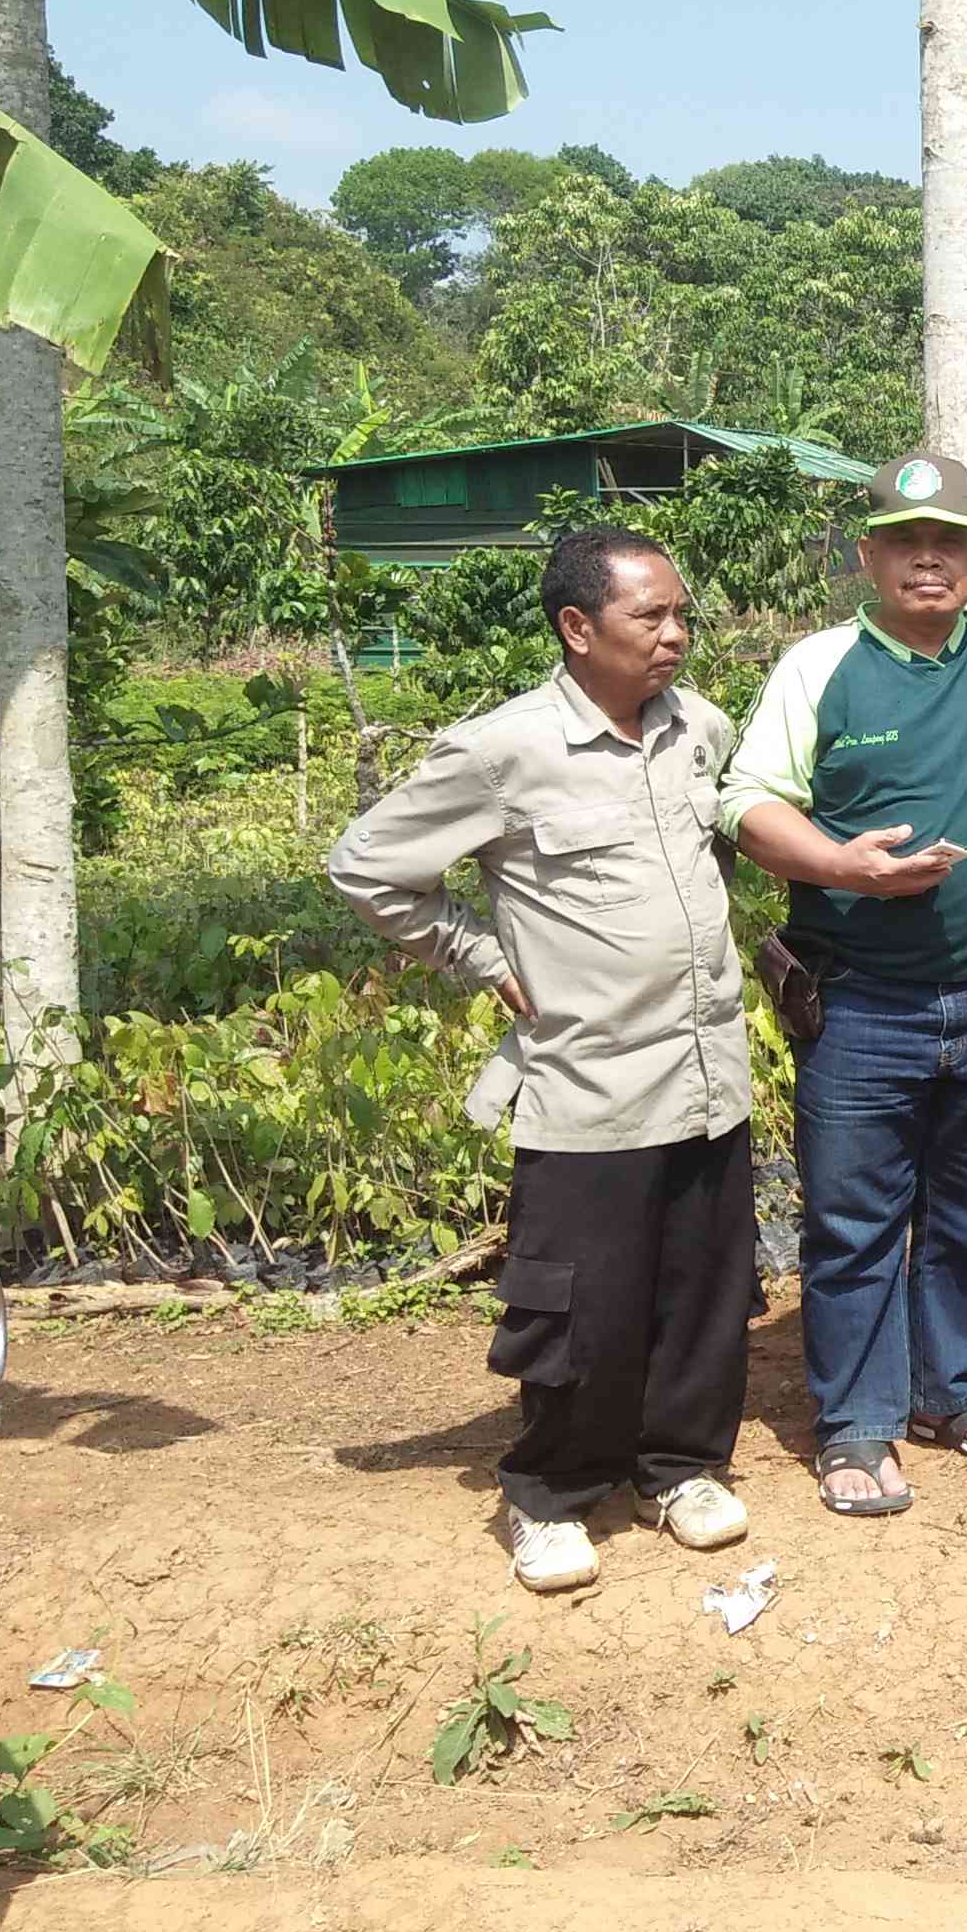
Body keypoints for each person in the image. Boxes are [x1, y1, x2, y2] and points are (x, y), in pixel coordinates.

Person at [327, 526, 755, 1594]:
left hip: (709, 1074)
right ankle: (552, 1494)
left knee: (702, 1288)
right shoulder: (502, 752)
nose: (675, 636)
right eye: (648, 617)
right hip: (589, 1082)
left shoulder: (699, 727)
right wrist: (476, 954)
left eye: (680, 614)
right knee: (578, 1305)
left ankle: (679, 1469)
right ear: (577, 628)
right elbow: (366, 868)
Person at [719, 453, 967, 1516]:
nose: (927, 558)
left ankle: (952, 1393)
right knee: (854, 1223)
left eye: (949, 541)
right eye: (905, 540)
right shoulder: (818, 666)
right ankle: (857, 1427)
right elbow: (748, 801)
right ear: (867, 556)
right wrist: (844, 865)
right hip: (863, 998)